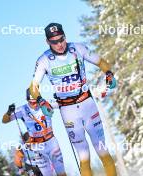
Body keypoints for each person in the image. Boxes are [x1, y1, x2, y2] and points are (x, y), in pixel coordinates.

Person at [29, 22, 117, 176]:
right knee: (84, 156)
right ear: (47, 42)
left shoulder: (78, 48)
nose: (59, 44)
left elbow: (101, 62)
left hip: (87, 104)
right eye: (54, 42)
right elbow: (34, 86)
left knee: (102, 150)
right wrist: (41, 101)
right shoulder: (44, 60)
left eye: (61, 39)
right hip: (68, 111)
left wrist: (109, 73)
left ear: (65, 36)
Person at [2, 89, 66, 176]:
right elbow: (4, 120)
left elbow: (63, 103)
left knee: (61, 173)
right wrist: (9, 112)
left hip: (51, 142)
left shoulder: (45, 104)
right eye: (31, 102)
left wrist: (60, 98)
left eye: (36, 101)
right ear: (27, 100)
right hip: (37, 146)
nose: (34, 104)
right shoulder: (22, 109)